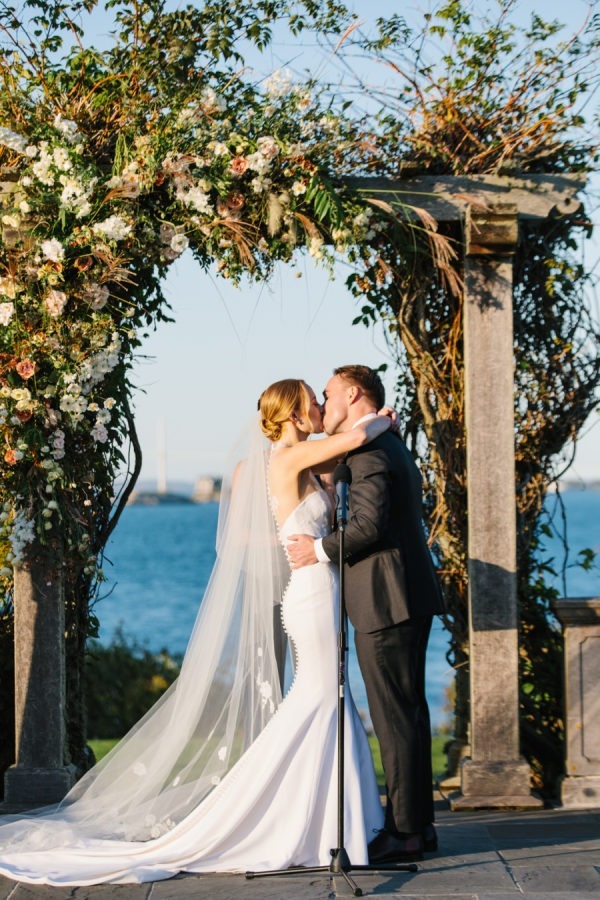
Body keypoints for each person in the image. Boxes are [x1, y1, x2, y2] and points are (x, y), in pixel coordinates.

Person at [0, 378, 394, 886]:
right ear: (295, 414)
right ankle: (273, 817)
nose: (320, 406)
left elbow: (344, 462)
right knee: (319, 698)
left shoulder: (305, 459)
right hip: (312, 593)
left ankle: (324, 822)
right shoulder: (287, 458)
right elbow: (358, 440)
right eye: (313, 402)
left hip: (323, 591)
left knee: (325, 698)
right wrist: (382, 417)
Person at [287, 365, 445, 864]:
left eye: (329, 394)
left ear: (353, 394)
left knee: (396, 717)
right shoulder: (378, 441)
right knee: (409, 714)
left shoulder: (373, 450)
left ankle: (405, 832)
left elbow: (370, 524)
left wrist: (320, 550)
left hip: (386, 597)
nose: (325, 404)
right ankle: (418, 825)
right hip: (401, 594)